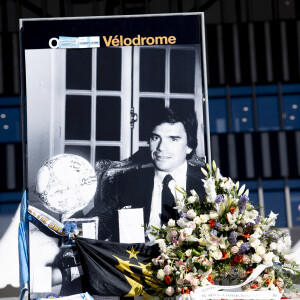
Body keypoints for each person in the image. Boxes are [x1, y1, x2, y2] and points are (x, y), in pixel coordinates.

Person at [96, 107, 206, 242]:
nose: (161, 147)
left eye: (173, 139)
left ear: (189, 146)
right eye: (155, 138)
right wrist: (72, 229)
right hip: (136, 260)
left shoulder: (207, 186)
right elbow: (97, 225)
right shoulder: (126, 183)